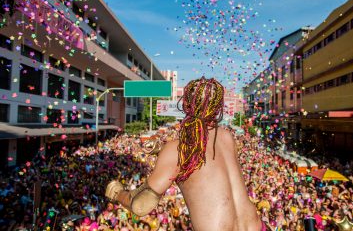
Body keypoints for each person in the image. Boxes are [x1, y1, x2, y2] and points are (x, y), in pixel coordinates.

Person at [106, 77, 263, 231]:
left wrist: (117, 193)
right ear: (218, 107)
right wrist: (161, 149)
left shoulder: (177, 150)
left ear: (186, 104)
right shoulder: (227, 137)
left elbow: (140, 205)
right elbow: (207, 161)